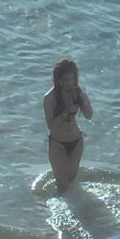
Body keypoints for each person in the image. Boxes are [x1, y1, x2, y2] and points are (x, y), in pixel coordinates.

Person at [43, 59, 93, 195]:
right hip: (58, 143)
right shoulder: (50, 98)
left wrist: (85, 101)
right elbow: (51, 125)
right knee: (62, 186)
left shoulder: (76, 93)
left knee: (71, 182)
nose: (69, 83)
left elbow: (89, 115)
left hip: (76, 141)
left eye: (72, 79)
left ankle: (79, 212)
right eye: (65, 79)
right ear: (58, 79)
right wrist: (65, 113)